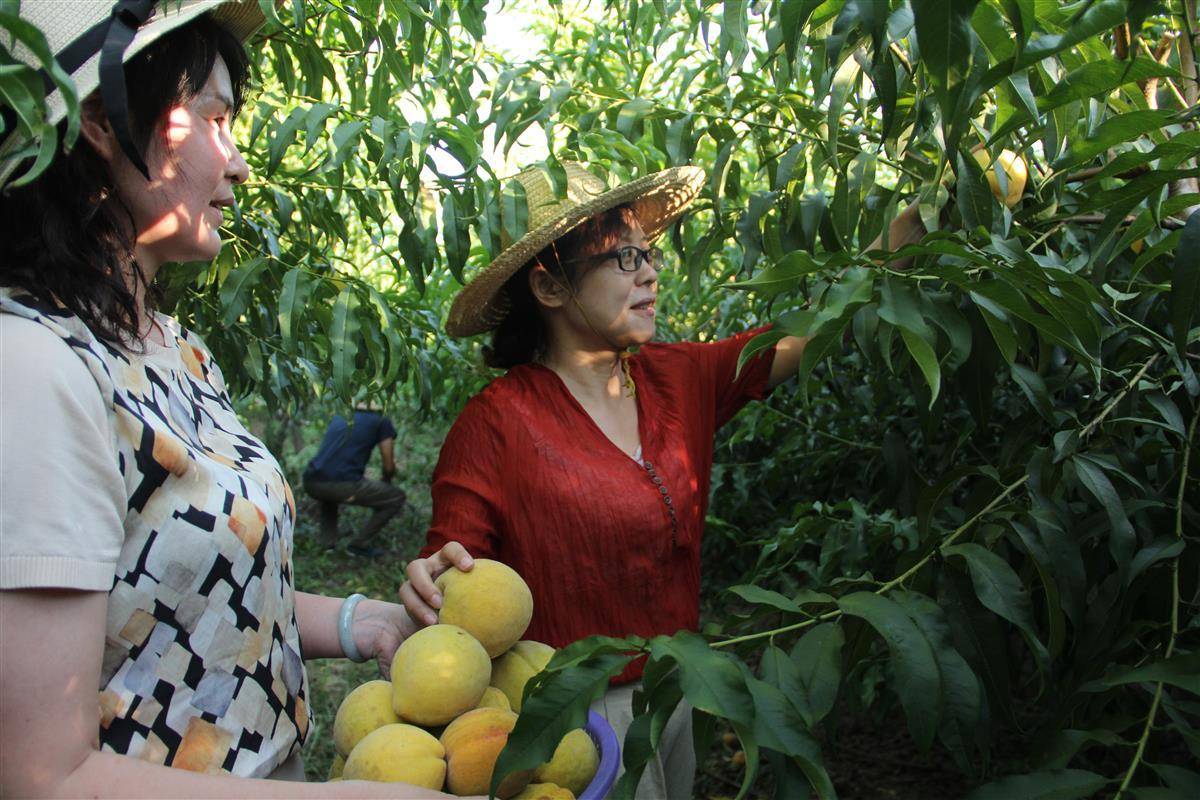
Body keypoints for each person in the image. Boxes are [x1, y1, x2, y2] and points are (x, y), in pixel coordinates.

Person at [0, 3, 463, 797]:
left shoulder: (175, 350)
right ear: (103, 122)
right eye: (215, 119)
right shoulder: (33, 369)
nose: (240, 165)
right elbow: (40, 775)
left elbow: (202, 597)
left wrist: (369, 622)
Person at [399, 161, 930, 797]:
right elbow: (455, 565)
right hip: (575, 719)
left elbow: (811, 325)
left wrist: (927, 215)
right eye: (623, 258)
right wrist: (434, 575)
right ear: (550, 288)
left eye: (648, 255)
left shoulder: (677, 380)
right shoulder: (496, 425)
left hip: (679, 691)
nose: (650, 272)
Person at [303, 403, 407, 556]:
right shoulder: (381, 420)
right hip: (341, 485)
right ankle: (359, 545)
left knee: (330, 495)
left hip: (312, 481)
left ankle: (327, 544)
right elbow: (389, 466)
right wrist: (386, 480)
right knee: (396, 496)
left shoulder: (341, 416)